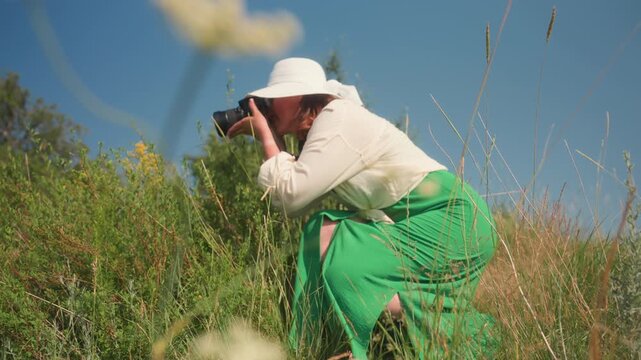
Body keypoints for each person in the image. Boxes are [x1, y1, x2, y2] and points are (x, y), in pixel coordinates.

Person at [227, 57, 498, 359]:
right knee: (324, 232)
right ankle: (324, 344)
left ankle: (474, 333)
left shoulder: (337, 119)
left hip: (453, 218)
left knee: (343, 260)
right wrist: (276, 140)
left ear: (298, 97)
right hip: (442, 219)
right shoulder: (328, 128)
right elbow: (296, 195)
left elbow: (290, 196)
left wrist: (267, 139)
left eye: (272, 100)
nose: (267, 108)